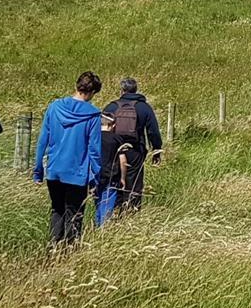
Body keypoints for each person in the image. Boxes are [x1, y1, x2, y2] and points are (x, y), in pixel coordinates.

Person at [33, 72, 103, 247]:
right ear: (92, 91)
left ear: (76, 86)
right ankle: (69, 253)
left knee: (57, 210)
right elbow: (94, 149)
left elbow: (43, 141)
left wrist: (38, 171)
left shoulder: (54, 107)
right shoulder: (93, 115)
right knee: (75, 214)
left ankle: (53, 249)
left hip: (55, 170)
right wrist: (97, 176)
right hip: (77, 173)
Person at [95, 77, 163, 224]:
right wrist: (157, 149)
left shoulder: (112, 107)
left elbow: (101, 128)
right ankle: (131, 217)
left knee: (115, 183)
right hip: (135, 152)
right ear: (136, 89)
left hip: (113, 151)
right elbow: (153, 132)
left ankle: (113, 217)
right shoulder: (144, 108)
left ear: (122, 90)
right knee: (135, 186)